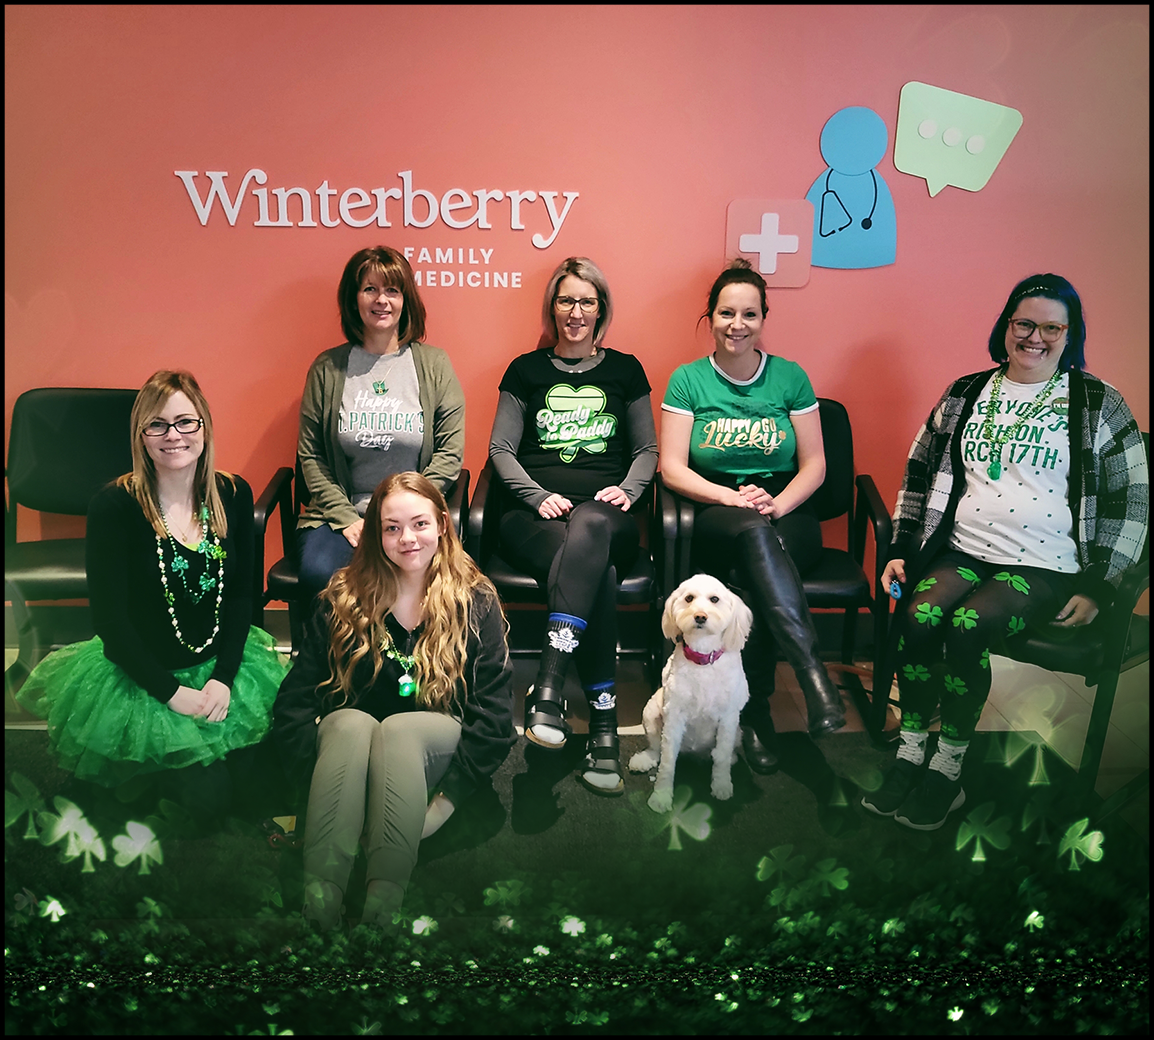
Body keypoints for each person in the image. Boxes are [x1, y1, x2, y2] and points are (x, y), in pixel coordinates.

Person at [867, 273, 1148, 831]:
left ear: (1070, 334)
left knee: (968, 625)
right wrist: (902, 544)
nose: (1035, 337)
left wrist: (1101, 584)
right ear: (1006, 326)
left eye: (1051, 328)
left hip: (1044, 565)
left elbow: (1133, 500)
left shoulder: (1098, 402)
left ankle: (947, 771)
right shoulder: (966, 392)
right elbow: (921, 471)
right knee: (918, 616)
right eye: (1024, 324)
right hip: (963, 550)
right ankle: (911, 752)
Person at [15, 370, 290, 824]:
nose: (173, 435)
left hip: (218, 669)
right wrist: (171, 693)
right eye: (157, 425)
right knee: (186, 805)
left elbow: (242, 596)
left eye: (185, 422)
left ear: (204, 426)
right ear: (140, 435)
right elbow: (110, 622)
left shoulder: (232, 493)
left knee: (258, 790)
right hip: (144, 676)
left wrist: (223, 678)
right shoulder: (114, 505)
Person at [272, 472, 514, 933]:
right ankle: (319, 906)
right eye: (392, 528)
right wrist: (315, 788)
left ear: (441, 524)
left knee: (399, 730)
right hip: (350, 760)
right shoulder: (344, 596)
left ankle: (382, 910)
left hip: (431, 760)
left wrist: (438, 810)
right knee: (350, 722)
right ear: (375, 534)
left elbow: (495, 719)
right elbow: (295, 703)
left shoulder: (475, 599)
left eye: (419, 523)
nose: (407, 539)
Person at [659, 258, 847, 777]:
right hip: (718, 511)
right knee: (753, 538)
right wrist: (730, 497)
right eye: (726, 313)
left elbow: (815, 465)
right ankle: (809, 677)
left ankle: (753, 710)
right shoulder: (688, 380)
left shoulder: (789, 377)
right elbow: (672, 468)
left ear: (764, 318)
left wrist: (778, 504)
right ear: (710, 317)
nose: (737, 324)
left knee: (754, 572)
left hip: (786, 509)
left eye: (749, 314)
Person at [489, 256, 658, 796]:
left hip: (607, 516)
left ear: (601, 309)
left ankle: (548, 687)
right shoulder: (525, 371)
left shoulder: (626, 370)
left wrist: (629, 490)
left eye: (587, 301)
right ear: (553, 307)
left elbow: (648, 450)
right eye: (566, 300)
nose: (576, 311)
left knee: (590, 528)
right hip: (532, 518)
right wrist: (537, 497)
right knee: (596, 574)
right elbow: (501, 450)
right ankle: (603, 730)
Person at [295, 245, 465, 606]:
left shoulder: (434, 364)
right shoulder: (327, 368)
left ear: (406, 299)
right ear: (354, 298)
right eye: (370, 289)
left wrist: (407, 518)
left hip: (412, 519)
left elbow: (450, 453)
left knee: (426, 578)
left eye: (392, 290)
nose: (381, 300)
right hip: (341, 517)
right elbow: (311, 456)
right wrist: (347, 519)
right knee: (321, 574)